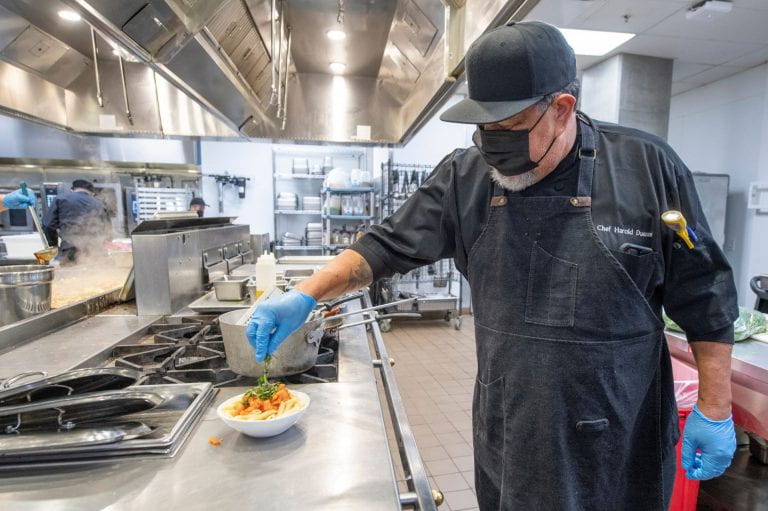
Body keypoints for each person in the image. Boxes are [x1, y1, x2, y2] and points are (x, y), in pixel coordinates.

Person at [245, 21, 739, 510]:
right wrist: (307, 293)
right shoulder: (468, 175)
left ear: (562, 108)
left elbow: (703, 294)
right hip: (513, 426)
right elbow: (383, 246)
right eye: (483, 128)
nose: (491, 145)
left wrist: (715, 407)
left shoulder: (648, 168)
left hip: (620, 430)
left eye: (508, 128)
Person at [42, 179, 111, 264]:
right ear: (92, 193)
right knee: (95, 275)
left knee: (70, 276)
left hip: (70, 249)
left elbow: (47, 225)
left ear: (72, 190)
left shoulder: (60, 199)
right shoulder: (100, 204)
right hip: (95, 251)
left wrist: (53, 245)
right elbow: (108, 232)